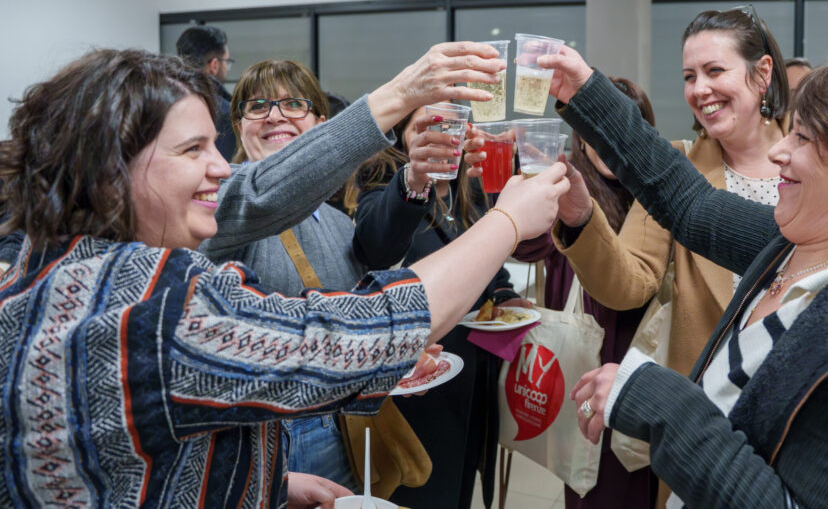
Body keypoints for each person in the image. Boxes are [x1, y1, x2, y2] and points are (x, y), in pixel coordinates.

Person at [0, 45, 569, 508]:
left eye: (213, 144)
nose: (220, 167)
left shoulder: (44, 274)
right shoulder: (152, 308)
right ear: (108, 173)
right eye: (193, 149)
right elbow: (363, 330)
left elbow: (133, 456)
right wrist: (507, 221)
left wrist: (262, 486)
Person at [540, 48, 828, 506]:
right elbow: (687, 201)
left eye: (804, 138)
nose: (779, 150)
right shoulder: (797, 247)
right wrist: (585, 90)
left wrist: (658, 402)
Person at [529, 9, 790, 508]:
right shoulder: (682, 165)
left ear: (762, 74)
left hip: (799, 403)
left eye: (715, 71)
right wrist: (581, 218)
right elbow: (628, 283)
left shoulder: (813, 161)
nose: (699, 89)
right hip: (710, 414)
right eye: (689, 76)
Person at [472, 77, 661, 509]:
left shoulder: (656, 194)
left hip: (645, 356)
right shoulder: (566, 189)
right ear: (581, 136)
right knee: (589, 476)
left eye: (623, 129)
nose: (609, 143)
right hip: (583, 361)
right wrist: (514, 183)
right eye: (597, 130)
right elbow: (527, 244)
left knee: (645, 479)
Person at [347, 109, 526, 509]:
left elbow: (487, 264)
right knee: (424, 491)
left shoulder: (469, 191)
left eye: (451, 125)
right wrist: (416, 178)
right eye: (428, 124)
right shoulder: (384, 190)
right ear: (403, 133)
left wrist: (503, 295)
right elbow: (376, 244)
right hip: (419, 386)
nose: (441, 133)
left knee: (460, 488)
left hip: (472, 378)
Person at [226, 59, 365, 490]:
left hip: (341, 425)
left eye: (292, 104)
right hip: (261, 434)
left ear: (321, 125)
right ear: (240, 127)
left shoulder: (340, 223)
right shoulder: (219, 210)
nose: (274, 116)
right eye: (258, 106)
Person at [177, 24, 237, 160]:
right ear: (214, 65)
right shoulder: (227, 113)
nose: (226, 68)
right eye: (226, 62)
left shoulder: (163, 105)